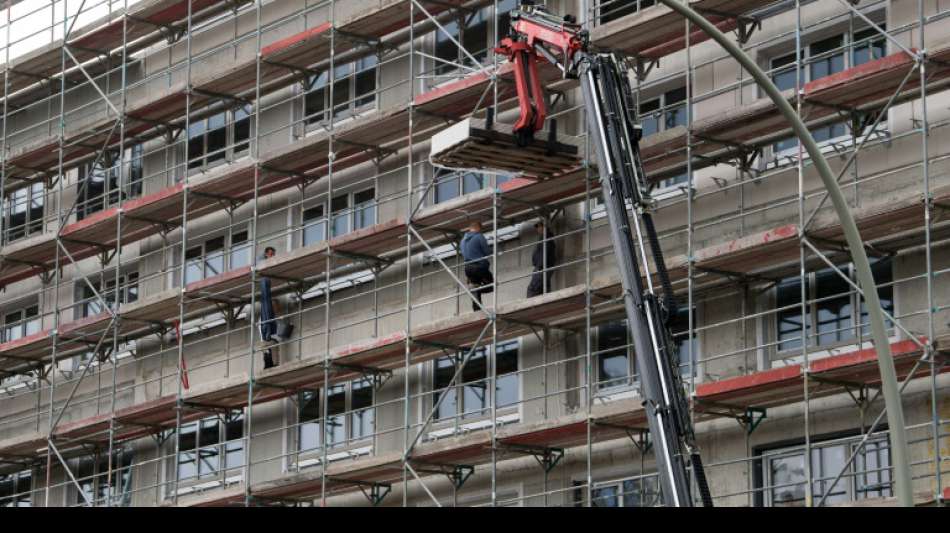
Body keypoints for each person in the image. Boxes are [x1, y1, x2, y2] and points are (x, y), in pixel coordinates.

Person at [460, 220, 493, 312]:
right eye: (481, 229)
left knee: (475, 286)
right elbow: (487, 252)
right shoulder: (479, 236)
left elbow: (464, 254)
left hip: (468, 268)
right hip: (480, 267)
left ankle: (477, 309)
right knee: (491, 285)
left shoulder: (462, 241)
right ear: (478, 228)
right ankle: (476, 289)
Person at [258, 246, 282, 369]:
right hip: (267, 340)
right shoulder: (262, 261)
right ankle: (269, 364)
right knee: (268, 353)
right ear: (267, 253)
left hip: (270, 339)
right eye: (271, 254)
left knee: (271, 352)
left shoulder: (270, 315)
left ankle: (270, 364)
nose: (272, 256)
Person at [527, 221, 556, 298]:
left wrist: (540, 266)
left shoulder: (546, 238)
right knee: (543, 289)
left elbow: (544, 253)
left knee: (532, 289)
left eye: (539, 226)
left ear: (544, 227)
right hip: (543, 267)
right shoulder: (545, 238)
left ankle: (530, 307)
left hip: (542, 267)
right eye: (537, 227)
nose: (538, 229)